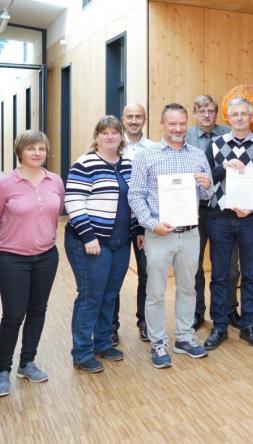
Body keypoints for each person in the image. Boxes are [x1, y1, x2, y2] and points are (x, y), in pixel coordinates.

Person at [129, 103, 214, 368]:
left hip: (190, 234)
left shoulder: (198, 155)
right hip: (159, 234)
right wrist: (151, 224)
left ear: (186, 124)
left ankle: (184, 337)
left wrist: (208, 186)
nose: (177, 128)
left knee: (188, 288)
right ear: (162, 125)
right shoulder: (147, 156)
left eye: (181, 124)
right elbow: (135, 195)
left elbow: (207, 196)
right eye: (172, 124)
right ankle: (157, 341)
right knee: (155, 291)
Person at [0, 131, 64, 397]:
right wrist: (11, 241)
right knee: (13, 315)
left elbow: (56, 213)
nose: (38, 153)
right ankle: (2, 371)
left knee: (38, 310)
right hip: (12, 259)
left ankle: (27, 363)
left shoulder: (55, 181)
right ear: (20, 152)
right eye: (31, 149)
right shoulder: (5, 185)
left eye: (42, 148)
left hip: (47, 256)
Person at [64, 115, 141, 373]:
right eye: (104, 132)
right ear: (96, 136)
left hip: (120, 242)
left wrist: (138, 229)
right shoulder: (84, 164)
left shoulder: (128, 163)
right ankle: (82, 351)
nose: (110, 136)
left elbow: (134, 200)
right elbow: (73, 201)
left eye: (115, 132)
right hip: (90, 242)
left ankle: (103, 343)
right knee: (91, 296)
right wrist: (88, 236)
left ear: (121, 137)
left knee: (110, 294)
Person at [203, 97, 253, 350]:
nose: (239, 118)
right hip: (220, 219)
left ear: (251, 117)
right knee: (220, 275)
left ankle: (248, 325)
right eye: (234, 114)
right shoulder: (215, 145)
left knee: (250, 273)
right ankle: (220, 326)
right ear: (228, 117)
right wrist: (223, 167)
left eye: (243, 114)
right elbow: (206, 180)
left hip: (251, 219)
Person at [186, 95, 240, 331]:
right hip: (194, 210)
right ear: (195, 113)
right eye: (201, 111)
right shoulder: (185, 137)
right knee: (193, 265)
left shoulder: (230, 134)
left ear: (216, 113)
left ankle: (229, 309)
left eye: (210, 110)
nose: (206, 115)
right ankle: (197, 311)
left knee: (229, 266)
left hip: (225, 211)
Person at [112, 102, 155, 345]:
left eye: (139, 116)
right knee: (114, 276)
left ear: (145, 119)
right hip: (116, 222)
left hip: (144, 223)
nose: (134, 120)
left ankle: (144, 321)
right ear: (123, 118)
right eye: (130, 116)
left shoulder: (153, 148)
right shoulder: (113, 146)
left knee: (147, 274)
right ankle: (111, 326)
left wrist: (143, 225)